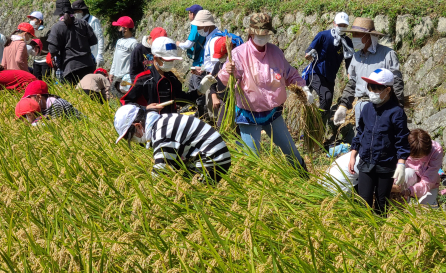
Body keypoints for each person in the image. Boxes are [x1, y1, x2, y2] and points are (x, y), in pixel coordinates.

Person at [218, 13, 315, 171]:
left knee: (292, 152)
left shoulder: (275, 52)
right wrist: (226, 71)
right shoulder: (239, 54)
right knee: (253, 160)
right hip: (248, 115)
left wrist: (303, 88)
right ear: (251, 33)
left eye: (265, 34)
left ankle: (305, 179)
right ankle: (254, 191)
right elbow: (224, 82)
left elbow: (290, 74)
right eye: (259, 34)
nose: (262, 38)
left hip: (273, 112)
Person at [114, 104, 231, 184]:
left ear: (138, 126)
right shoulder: (161, 121)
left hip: (212, 159)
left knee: (191, 195)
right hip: (210, 156)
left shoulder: (161, 132)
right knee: (181, 182)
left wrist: (145, 188)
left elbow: (162, 169)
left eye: (130, 137)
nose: (133, 141)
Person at [348, 69, 410, 214]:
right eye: (370, 87)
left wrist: (401, 164)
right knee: (364, 201)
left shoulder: (397, 112)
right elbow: (360, 132)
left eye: (376, 88)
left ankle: (379, 231)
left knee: (382, 203)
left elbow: (402, 140)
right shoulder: (367, 108)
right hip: (365, 163)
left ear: (388, 90)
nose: (372, 91)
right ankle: (364, 230)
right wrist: (353, 155)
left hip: (385, 165)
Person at [334, 17, 404, 128]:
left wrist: (397, 108)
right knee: (362, 140)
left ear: (368, 36)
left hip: (382, 107)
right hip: (360, 106)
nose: (354, 38)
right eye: (353, 34)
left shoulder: (387, 54)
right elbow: (352, 83)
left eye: (357, 34)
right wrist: (343, 105)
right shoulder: (356, 57)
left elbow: (396, 82)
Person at [121, 37, 216, 115]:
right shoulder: (143, 79)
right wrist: (145, 108)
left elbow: (182, 100)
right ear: (156, 58)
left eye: (172, 60)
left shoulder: (172, 78)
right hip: (151, 128)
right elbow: (126, 102)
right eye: (167, 60)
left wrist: (200, 90)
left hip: (171, 125)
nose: (170, 63)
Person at [304, 12, 354, 123]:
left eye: (344, 25)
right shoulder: (323, 35)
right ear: (334, 23)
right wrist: (308, 54)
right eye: (340, 25)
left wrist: (350, 74)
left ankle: (318, 128)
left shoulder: (347, 42)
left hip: (330, 77)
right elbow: (311, 49)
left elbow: (349, 61)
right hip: (317, 72)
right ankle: (315, 128)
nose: (342, 27)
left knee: (327, 102)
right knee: (326, 97)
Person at [47, 0, 98, 84]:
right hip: (88, 64)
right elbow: (93, 41)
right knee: (90, 93)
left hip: (70, 68)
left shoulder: (57, 27)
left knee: (75, 95)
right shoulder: (83, 23)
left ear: (59, 12)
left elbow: (53, 50)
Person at [394, 129, 443, 207]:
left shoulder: (436, 151)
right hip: (412, 176)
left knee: (426, 208)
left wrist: (411, 191)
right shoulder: (404, 147)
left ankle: (432, 203)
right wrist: (395, 186)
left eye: (419, 157)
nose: (417, 159)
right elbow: (398, 169)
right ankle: (402, 201)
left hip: (429, 184)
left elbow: (429, 180)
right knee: (407, 172)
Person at [109, 16, 139, 95]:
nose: (118, 30)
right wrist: (112, 72)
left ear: (125, 28)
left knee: (124, 97)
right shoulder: (119, 41)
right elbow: (115, 58)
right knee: (115, 96)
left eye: (119, 27)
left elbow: (136, 61)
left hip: (126, 76)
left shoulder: (133, 43)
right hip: (116, 75)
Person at [71, 0, 105, 67]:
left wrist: (100, 54)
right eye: (74, 12)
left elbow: (100, 37)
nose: (75, 13)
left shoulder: (93, 20)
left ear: (82, 11)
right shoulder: (75, 21)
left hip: (92, 54)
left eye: (77, 11)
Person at [27, 11, 52, 80]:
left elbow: (42, 37)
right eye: (30, 19)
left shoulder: (46, 31)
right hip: (36, 59)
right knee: (36, 79)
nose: (31, 21)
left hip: (45, 59)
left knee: (47, 80)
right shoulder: (31, 31)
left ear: (39, 21)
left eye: (33, 19)